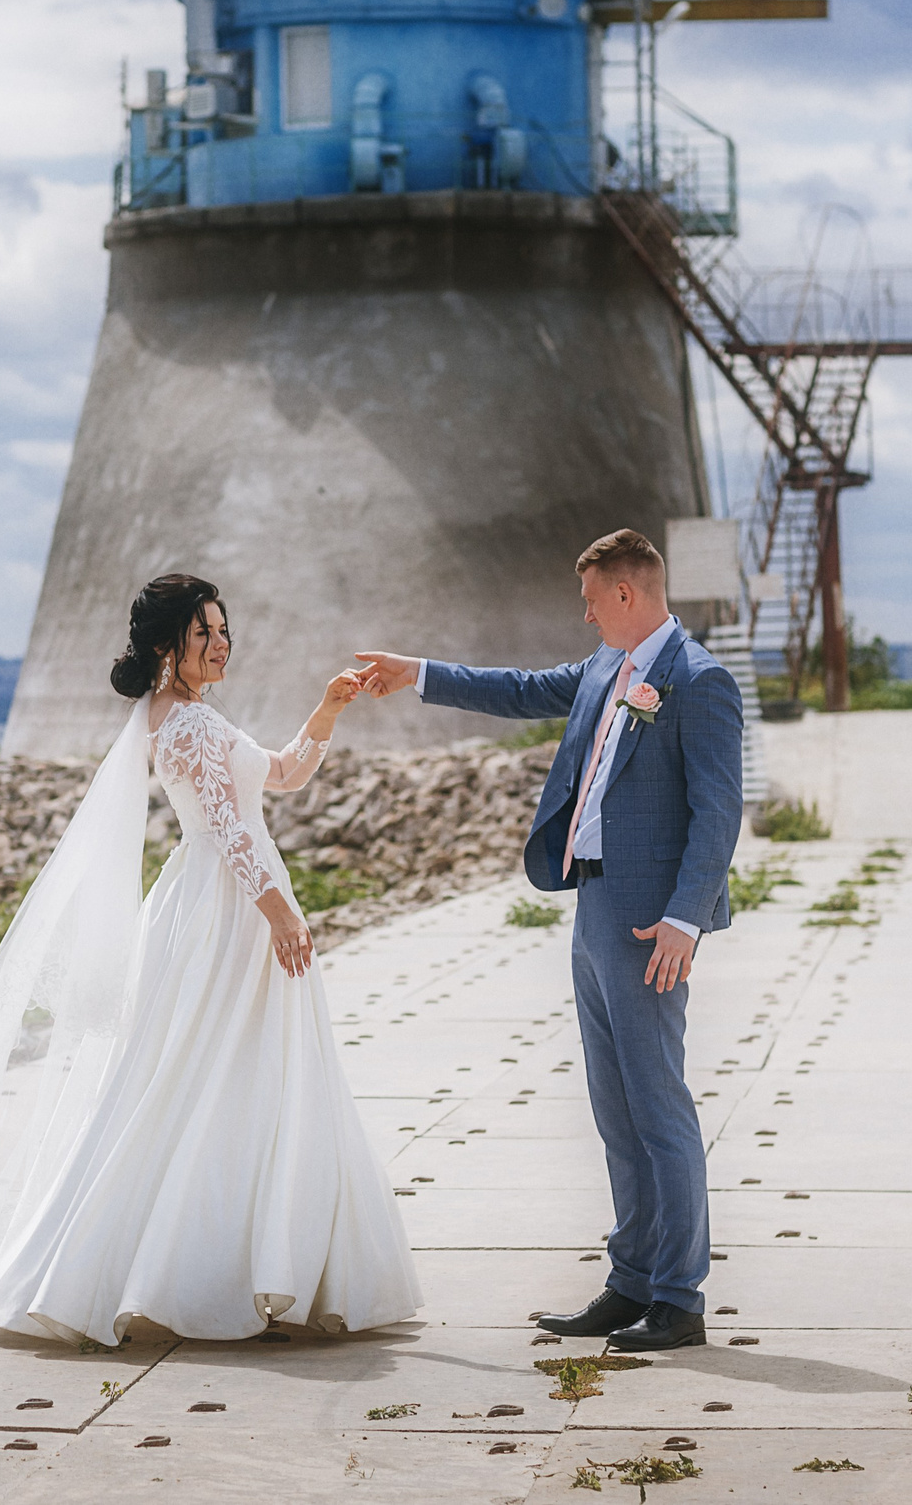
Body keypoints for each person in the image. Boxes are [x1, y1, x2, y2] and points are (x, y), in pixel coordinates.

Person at [0, 573, 419, 1344]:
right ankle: (205, 1266)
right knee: (205, 1072)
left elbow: (285, 774)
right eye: (206, 633)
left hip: (225, 898)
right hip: (225, 908)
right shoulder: (185, 723)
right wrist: (281, 912)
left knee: (226, 1072)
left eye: (225, 630)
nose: (222, 642)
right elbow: (229, 829)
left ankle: (236, 1259)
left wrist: (328, 708)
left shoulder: (192, 713)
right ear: (170, 645)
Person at [353, 527, 741, 1352]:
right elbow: (519, 688)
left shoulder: (699, 680)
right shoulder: (606, 668)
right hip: (592, 907)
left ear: (627, 595)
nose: (586, 613)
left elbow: (718, 812)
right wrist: (415, 672)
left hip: (648, 924)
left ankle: (680, 1296)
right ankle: (630, 1279)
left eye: (593, 599)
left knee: (658, 1104)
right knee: (615, 1109)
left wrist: (683, 918)